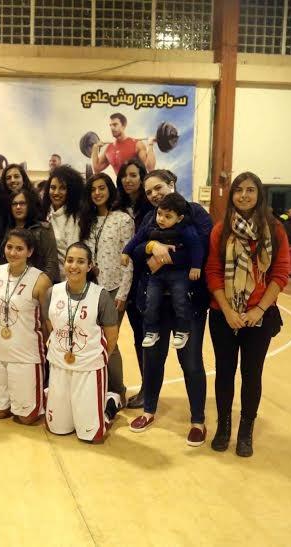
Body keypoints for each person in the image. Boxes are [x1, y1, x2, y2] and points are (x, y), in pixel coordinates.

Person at [126, 169, 212, 448]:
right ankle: (149, 410)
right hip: (155, 304)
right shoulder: (151, 217)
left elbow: (202, 250)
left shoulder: (196, 213)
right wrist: (152, 245)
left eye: (158, 188)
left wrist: (164, 256)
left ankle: (197, 421)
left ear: (172, 184)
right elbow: (137, 251)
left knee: (191, 362)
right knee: (152, 358)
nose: (154, 194)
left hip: (188, 303)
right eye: (148, 191)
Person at [206, 172, 289, 457]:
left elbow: (280, 274)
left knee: (252, 374)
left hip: (259, 317)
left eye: (250, 190)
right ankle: (223, 427)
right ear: (231, 195)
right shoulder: (220, 231)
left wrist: (259, 309)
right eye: (238, 190)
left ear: (259, 194)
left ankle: (245, 431)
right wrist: (228, 310)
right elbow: (213, 272)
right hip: (223, 315)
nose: (244, 195)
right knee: (224, 373)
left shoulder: (275, 230)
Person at [44, 242, 119, 442]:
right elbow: (51, 325)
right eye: (70, 260)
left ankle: (110, 403)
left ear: (89, 266)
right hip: (60, 365)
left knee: (91, 435)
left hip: (89, 368)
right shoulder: (53, 292)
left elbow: (112, 336)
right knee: (57, 428)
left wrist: (96, 359)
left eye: (80, 261)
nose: (74, 266)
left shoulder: (101, 296)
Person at [78, 173, 134, 413]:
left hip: (114, 288)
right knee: (93, 338)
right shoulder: (87, 220)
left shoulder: (123, 219)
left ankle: (118, 390)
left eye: (102, 188)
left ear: (110, 190)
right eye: (93, 189)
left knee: (110, 341)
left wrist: (123, 292)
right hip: (91, 288)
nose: (97, 193)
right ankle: (99, 386)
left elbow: (129, 258)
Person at [0, 229, 52, 424]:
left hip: (25, 355)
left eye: (19, 249)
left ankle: (51, 394)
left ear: (30, 252)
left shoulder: (41, 280)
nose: (13, 252)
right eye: (9, 247)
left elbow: (48, 321)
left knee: (27, 418)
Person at [123, 193, 204, 349]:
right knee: (151, 301)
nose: (161, 219)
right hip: (157, 275)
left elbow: (196, 247)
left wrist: (196, 266)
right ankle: (151, 330)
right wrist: (126, 252)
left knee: (180, 300)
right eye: (159, 214)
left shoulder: (186, 229)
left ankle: (183, 329)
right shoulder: (151, 225)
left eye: (168, 216)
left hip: (178, 274)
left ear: (179, 218)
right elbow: (137, 239)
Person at [115, 158, 152, 408]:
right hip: (120, 283)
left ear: (142, 177)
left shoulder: (150, 209)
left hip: (144, 282)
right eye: (124, 176)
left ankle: (149, 390)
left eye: (133, 175)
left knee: (143, 338)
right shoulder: (117, 206)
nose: (128, 180)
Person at [0, 188, 60, 283]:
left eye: (22, 203)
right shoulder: (6, 229)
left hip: (36, 283)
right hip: (9, 283)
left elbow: (51, 264)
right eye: (14, 204)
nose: (18, 207)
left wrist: (40, 285)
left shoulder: (43, 229)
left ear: (29, 205)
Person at [43, 165, 84, 280]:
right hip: (44, 277)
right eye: (53, 187)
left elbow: (73, 257)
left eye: (62, 188)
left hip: (65, 279)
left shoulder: (74, 218)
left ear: (71, 191)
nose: (56, 192)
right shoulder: (44, 212)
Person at [91, 113, 156, 176]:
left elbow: (150, 168)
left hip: (138, 183)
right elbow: (96, 169)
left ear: (123, 125)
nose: (112, 128)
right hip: (120, 183)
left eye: (115, 124)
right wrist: (95, 149)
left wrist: (150, 145)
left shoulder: (137, 144)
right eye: (110, 125)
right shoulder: (109, 149)